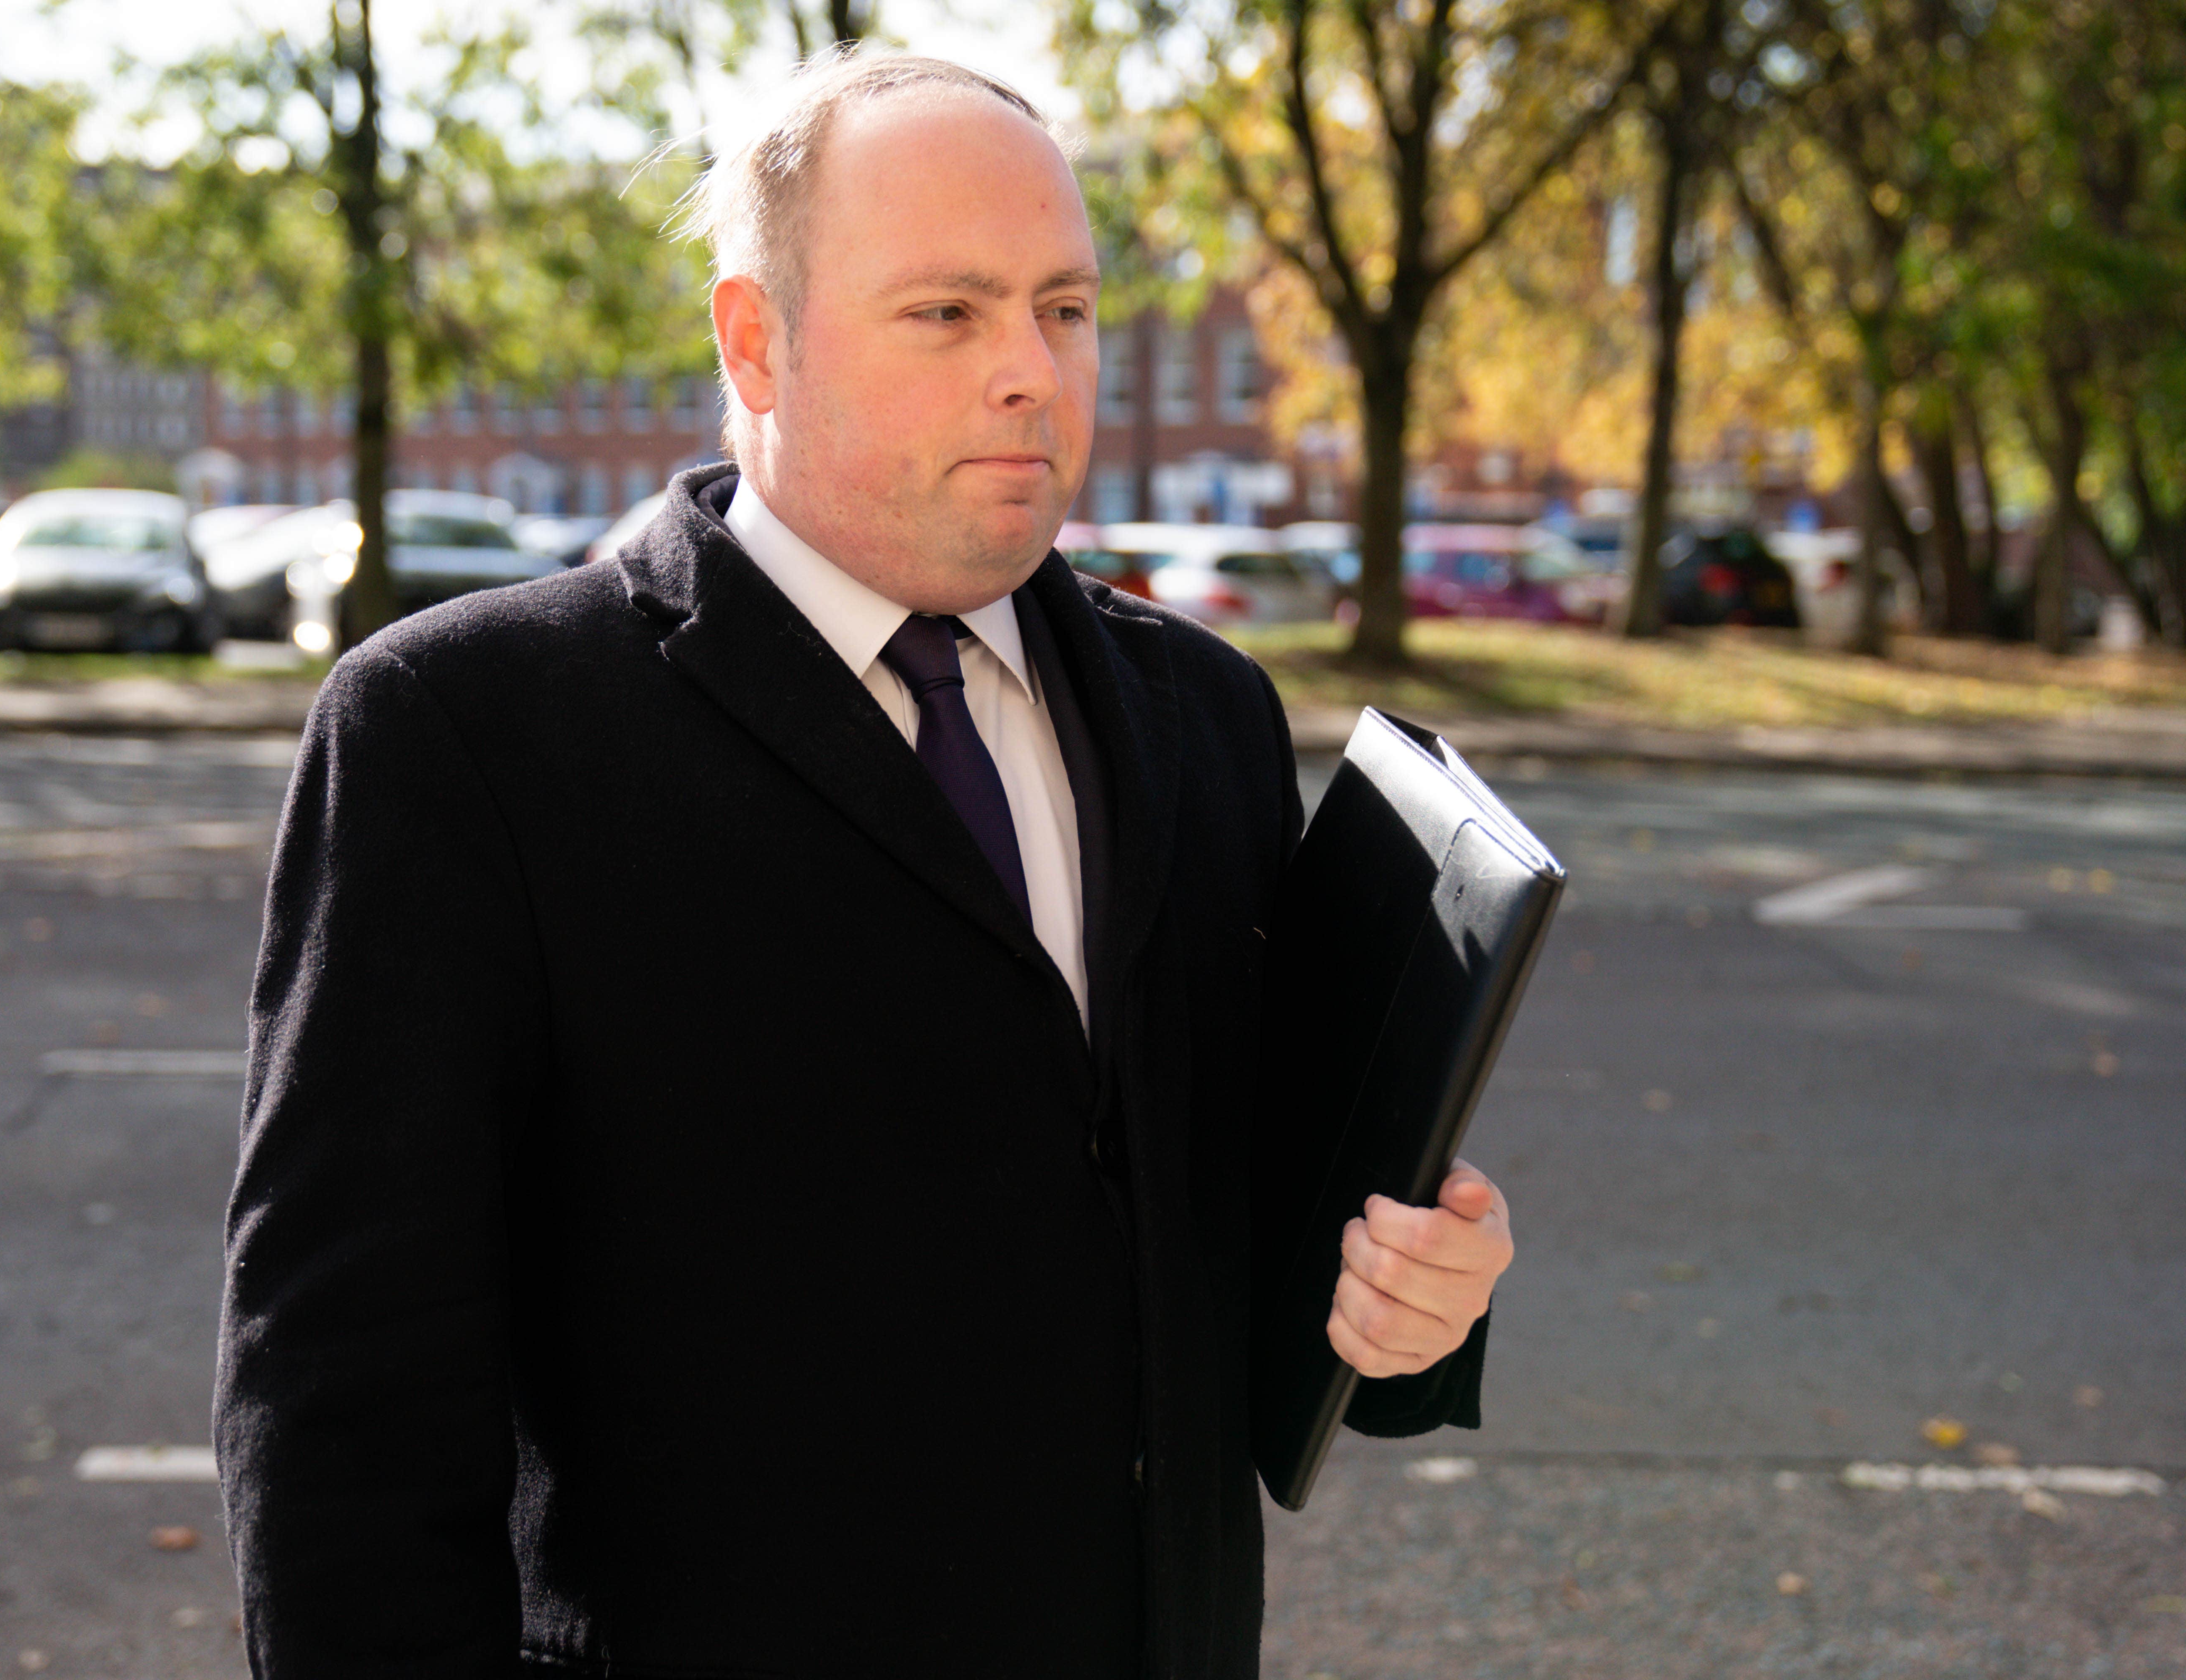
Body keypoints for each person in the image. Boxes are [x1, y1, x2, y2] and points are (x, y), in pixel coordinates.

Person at [216, 52, 1513, 1680]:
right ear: (754, 338)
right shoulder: (462, 732)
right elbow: (340, 1393)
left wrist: (1416, 1303)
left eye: (1065, 307)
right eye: (950, 315)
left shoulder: (1208, 715)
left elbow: (1239, 1242)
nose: (1033, 373)